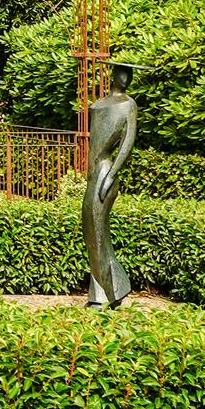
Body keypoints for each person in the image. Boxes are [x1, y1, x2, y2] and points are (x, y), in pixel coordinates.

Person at [83, 60, 137, 309]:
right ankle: (98, 293)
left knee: (97, 233)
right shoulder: (99, 104)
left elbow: (127, 143)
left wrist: (112, 175)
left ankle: (113, 290)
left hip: (105, 172)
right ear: (112, 74)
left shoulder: (128, 105)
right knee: (91, 233)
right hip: (95, 174)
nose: (126, 78)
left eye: (129, 74)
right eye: (122, 73)